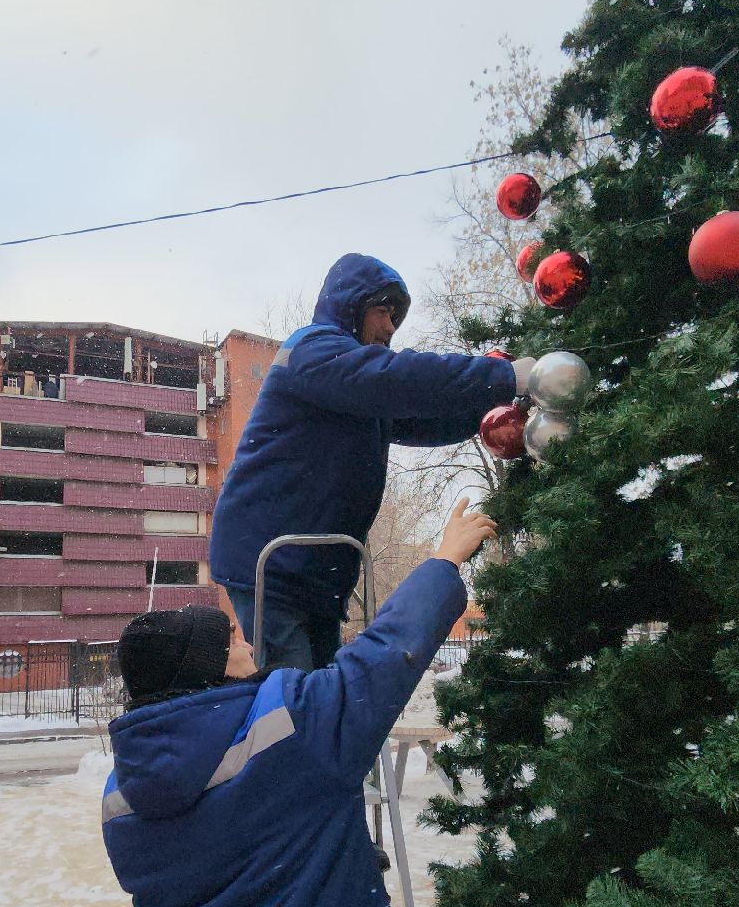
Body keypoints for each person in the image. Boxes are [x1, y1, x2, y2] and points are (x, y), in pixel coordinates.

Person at [103, 498, 498, 907]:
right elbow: (381, 657)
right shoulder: (289, 735)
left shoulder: (121, 794)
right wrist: (444, 561)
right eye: (234, 641)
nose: (249, 642)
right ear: (209, 667)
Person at [209, 252, 531, 673]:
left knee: (321, 695)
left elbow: (425, 418)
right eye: (383, 310)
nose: (390, 327)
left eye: (396, 316)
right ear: (351, 306)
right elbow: (398, 378)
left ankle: (309, 737)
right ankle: (286, 739)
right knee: (295, 702)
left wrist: (494, 410)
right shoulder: (311, 351)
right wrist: (505, 376)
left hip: (314, 572)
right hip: (272, 567)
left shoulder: (355, 391)